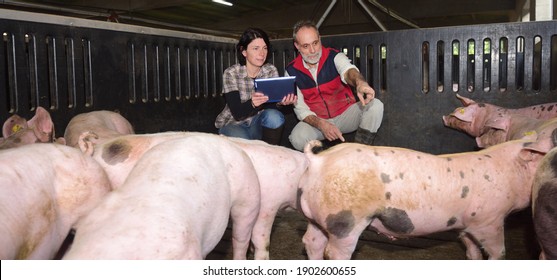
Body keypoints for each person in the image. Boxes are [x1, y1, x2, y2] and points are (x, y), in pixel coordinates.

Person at [286, 20, 384, 151]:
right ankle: (324, 161)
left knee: (375, 106)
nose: (313, 50)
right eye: (305, 46)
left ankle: (360, 152)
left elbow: (348, 70)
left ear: (320, 38)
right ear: (296, 46)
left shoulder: (334, 57)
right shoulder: (291, 71)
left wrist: (360, 83)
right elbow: (301, 110)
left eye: (315, 43)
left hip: (345, 114)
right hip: (318, 120)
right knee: (297, 137)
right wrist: (321, 124)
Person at [215, 28, 297, 145]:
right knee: (246, 145)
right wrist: (252, 103)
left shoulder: (270, 70)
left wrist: (281, 103)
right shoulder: (231, 73)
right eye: (255, 48)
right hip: (233, 123)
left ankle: (269, 152)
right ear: (244, 52)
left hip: (257, 123)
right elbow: (237, 112)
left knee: (275, 117)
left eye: (264, 48)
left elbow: (272, 108)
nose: (262, 53)